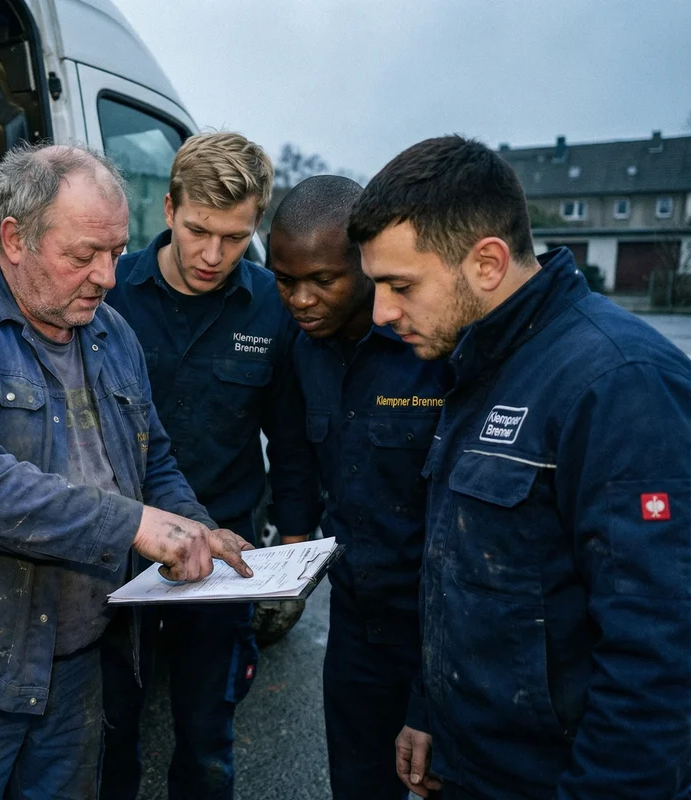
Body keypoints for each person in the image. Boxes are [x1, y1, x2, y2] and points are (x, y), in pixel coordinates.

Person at [0, 143, 254, 799]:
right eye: (83, 256)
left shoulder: (111, 335)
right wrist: (131, 526)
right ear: (15, 239)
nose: (106, 276)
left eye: (114, 251)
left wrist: (196, 528)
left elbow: (151, 458)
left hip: (77, 665)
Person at [348, 134, 691, 799]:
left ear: (486, 262)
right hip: (473, 767)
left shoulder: (621, 385)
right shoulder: (480, 362)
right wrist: (428, 711)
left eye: (400, 285)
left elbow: (661, 658)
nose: (383, 313)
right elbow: (463, 572)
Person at [102, 132, 319, 800]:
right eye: (198, 230)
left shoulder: (269, 307)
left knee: (206, 745)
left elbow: (291, 436)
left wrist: (294, 537)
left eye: (234, 236)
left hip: (223, 558)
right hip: (119, 544)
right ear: (167, 208)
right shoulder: (110, 295)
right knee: (109, 733)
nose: (212, 255)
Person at [266, 174, 447, 800]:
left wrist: (430, 693)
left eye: (323, 279)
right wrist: (290, 556)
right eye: (285, 280)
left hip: (439, 624)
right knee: (359, 782)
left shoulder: (430, 347)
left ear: (366, 265)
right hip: (354, 620)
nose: (301, 299)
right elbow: (292, 452)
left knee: (439, 777)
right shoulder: (300, 347)